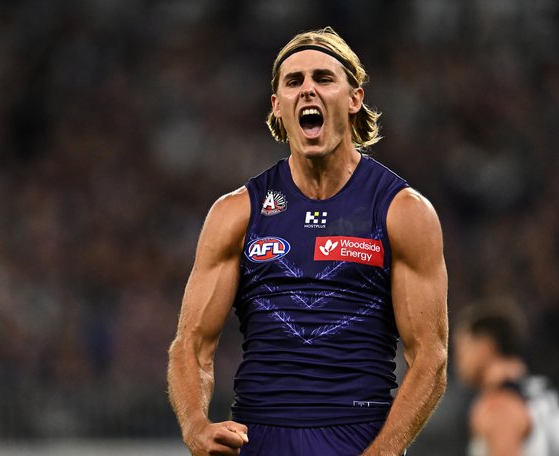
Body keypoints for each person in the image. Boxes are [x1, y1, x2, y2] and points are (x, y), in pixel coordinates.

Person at [167, 26, 448, 456]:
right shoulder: (237, 212)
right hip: (258, 440)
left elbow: (431, 357)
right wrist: (195, 426)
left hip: (358, 439)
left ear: (354, 99)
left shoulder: (402, 211)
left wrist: (385, 451)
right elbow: (190, 344)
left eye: (323, 78)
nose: (308, 90)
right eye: (294, 81)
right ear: (278, 107)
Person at [453, 299, 559, 456]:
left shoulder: (498, 406)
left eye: (462, 350)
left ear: (485, 346)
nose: (457, 361)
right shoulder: (544, 392)